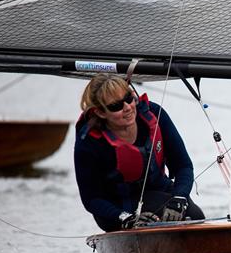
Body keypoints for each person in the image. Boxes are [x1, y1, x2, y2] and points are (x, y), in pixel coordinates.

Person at [74, 73, 204, 231]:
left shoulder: (154, 114)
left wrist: (179, 198)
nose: (127, 108)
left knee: (195, 216)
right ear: (101, 113)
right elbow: (91, 199)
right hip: (116, 208)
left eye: (129, 98)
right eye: (116, 106)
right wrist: (124, 218)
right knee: (156, 217)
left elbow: (183, 166)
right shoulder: (89, 142)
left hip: (159, 192)